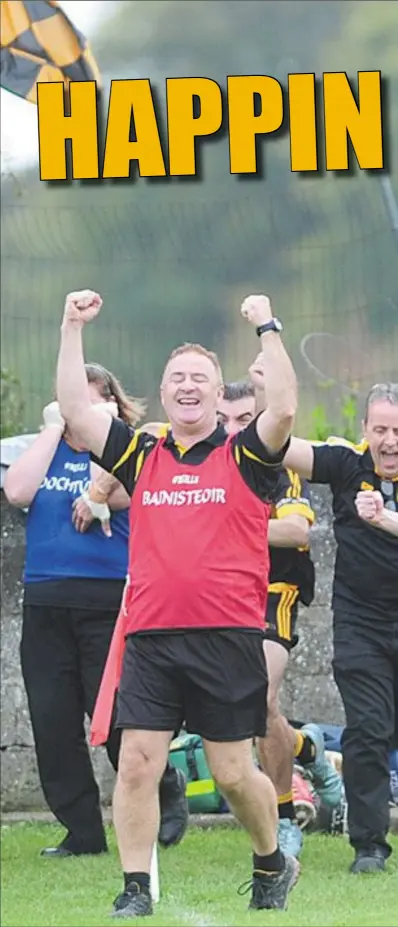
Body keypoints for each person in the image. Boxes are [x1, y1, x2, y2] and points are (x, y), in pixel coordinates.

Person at [57, 288, 300, 917]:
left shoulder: (245, 453)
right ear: (163, 394)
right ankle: (135, 888)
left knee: (228, 772)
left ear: (219, 396)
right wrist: (70, 326)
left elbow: (286, 407)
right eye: (176, 378)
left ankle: (272, 858)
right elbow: (78, 415)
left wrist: (266, 328)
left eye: (200, 378)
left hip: (227, 638)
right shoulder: (141, 452)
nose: (188, 386)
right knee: (137, 762)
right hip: (152, 637)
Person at [3, 363, 188, 858]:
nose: (74, 414)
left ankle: (165, 784)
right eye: (69, 404)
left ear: (107, 405)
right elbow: (17, 491)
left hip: (105, 601)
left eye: (87, 403)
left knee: (111, 717)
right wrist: (50, 430)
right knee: (52, 719)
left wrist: (101, 431)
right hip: (45, 599)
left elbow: (121, 492)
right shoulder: (46, 449)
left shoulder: (121, 458)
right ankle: (82, 832)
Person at [273, 379, 398, 875]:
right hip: (362, 624)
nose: (390, 441)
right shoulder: (349, 463)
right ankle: (369, 845)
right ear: (364, 429)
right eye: (381, 430)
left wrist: (385, 519)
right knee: (368, 730)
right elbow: (279, 446)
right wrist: (271, 390)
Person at [217, 379, 342, 858]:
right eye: (224, 420)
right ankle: (309, 751)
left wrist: (225, 521)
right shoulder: (206, 460)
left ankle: (286, 817)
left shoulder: (278, 464)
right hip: (221, 595)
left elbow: (294, 531)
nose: (233, 430)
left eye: (244, 420)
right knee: (245, 711)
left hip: (274, 591)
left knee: (259, 697)